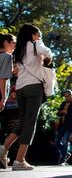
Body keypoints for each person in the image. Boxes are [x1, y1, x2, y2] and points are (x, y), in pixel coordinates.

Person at [0, 24, 52, 170]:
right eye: (38, 34)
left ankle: (3, 148)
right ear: (33, 34)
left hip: (21, 88)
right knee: (30, 123)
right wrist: (38, 41)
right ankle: (19, 160)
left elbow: (16, 70)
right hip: (33, 87)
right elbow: (48, 53)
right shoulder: (35, 45)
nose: (39, 37)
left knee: (22, 122)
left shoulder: (18, 50)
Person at [55, 89, 72, 165]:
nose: (66, 97)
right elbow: (58, 113)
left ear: (71, 95)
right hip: (62, 124)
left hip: (70, 125)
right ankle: (65, 153)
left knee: (65, 141)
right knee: (57, 141)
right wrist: (61, 112)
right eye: (65, 96)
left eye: (67, 96)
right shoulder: (63, 103)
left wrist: (67, 112)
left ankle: (63, 160)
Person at [0, 34, 16, 112]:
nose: (15, 46)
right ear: (6, 42)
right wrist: (3, 98)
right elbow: (3, 79)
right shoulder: (7, 56)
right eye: (14, 42)